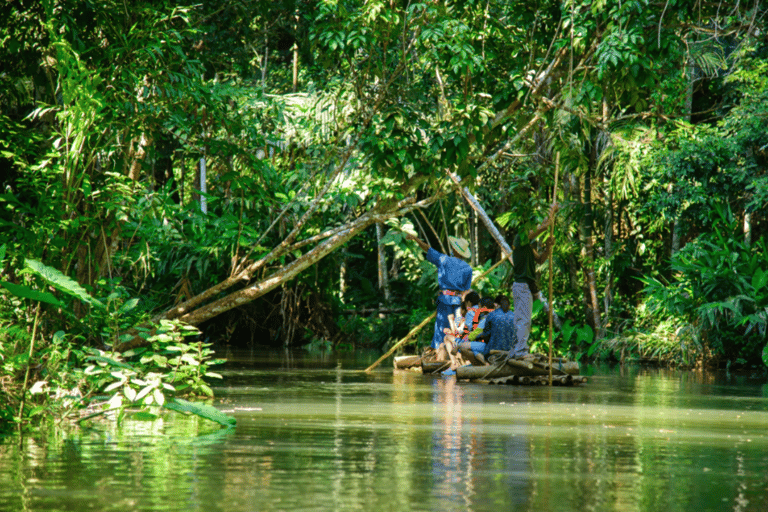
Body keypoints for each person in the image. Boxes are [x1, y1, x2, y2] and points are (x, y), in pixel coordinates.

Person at [407, 233, 473, 352]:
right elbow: (466, 291)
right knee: (457, 327)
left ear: (454, 249)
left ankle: (439, 352)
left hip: (445, 299)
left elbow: (428, 248)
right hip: (458, 300)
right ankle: (456, 351)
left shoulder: (444, 260)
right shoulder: (468, 268)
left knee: (442, 328)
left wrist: (416, 239)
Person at [509, 202, 558, 354]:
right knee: (523, 320)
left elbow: (541, 259)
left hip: (526, 286)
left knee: (524, 319)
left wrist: (548, 247)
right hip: (521, 285)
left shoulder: (528, 246)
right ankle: (520, 351)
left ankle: (519, 349)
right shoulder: (519, 238)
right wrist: (552, 210)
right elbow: (544, 226)